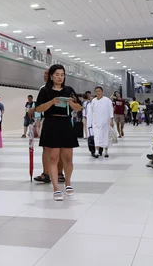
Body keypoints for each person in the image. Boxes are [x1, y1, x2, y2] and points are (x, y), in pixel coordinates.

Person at [35, 64, 82, 201]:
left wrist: (71, 103)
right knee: (53, 157)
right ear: (51, 76)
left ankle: (68, 183)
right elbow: (38, 108)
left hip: (66, 124)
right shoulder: (45, 91)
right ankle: (56, 188)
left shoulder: (69, 90)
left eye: (62, 75)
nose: (60, 77)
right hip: (51, 124)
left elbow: (79, 107)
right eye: (57, 75)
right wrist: (52, 102)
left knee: (68, 158)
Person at [32, 70, 64, 184]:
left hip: (61, 120)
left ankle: (60, 173)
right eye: (44, 74)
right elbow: (39, 105)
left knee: (60, 148)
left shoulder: (62, 88)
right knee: (46, 148)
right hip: (47, 120)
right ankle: (46, 173)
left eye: (47, 73)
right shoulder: (43, 89)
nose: (44, 75)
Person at [88, 87, 114, 158]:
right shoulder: (93, 101)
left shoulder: (107, 100)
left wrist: (111, 119)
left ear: (102, 92)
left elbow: (111, 110)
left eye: (99, 91)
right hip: (96, 122)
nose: (98, 93)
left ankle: (106, 151)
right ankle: (97, 151)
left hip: (105, 121)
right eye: (96, 91)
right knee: (97, 136)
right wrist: (91, 121)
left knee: (105, 136)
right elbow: (91, 112)